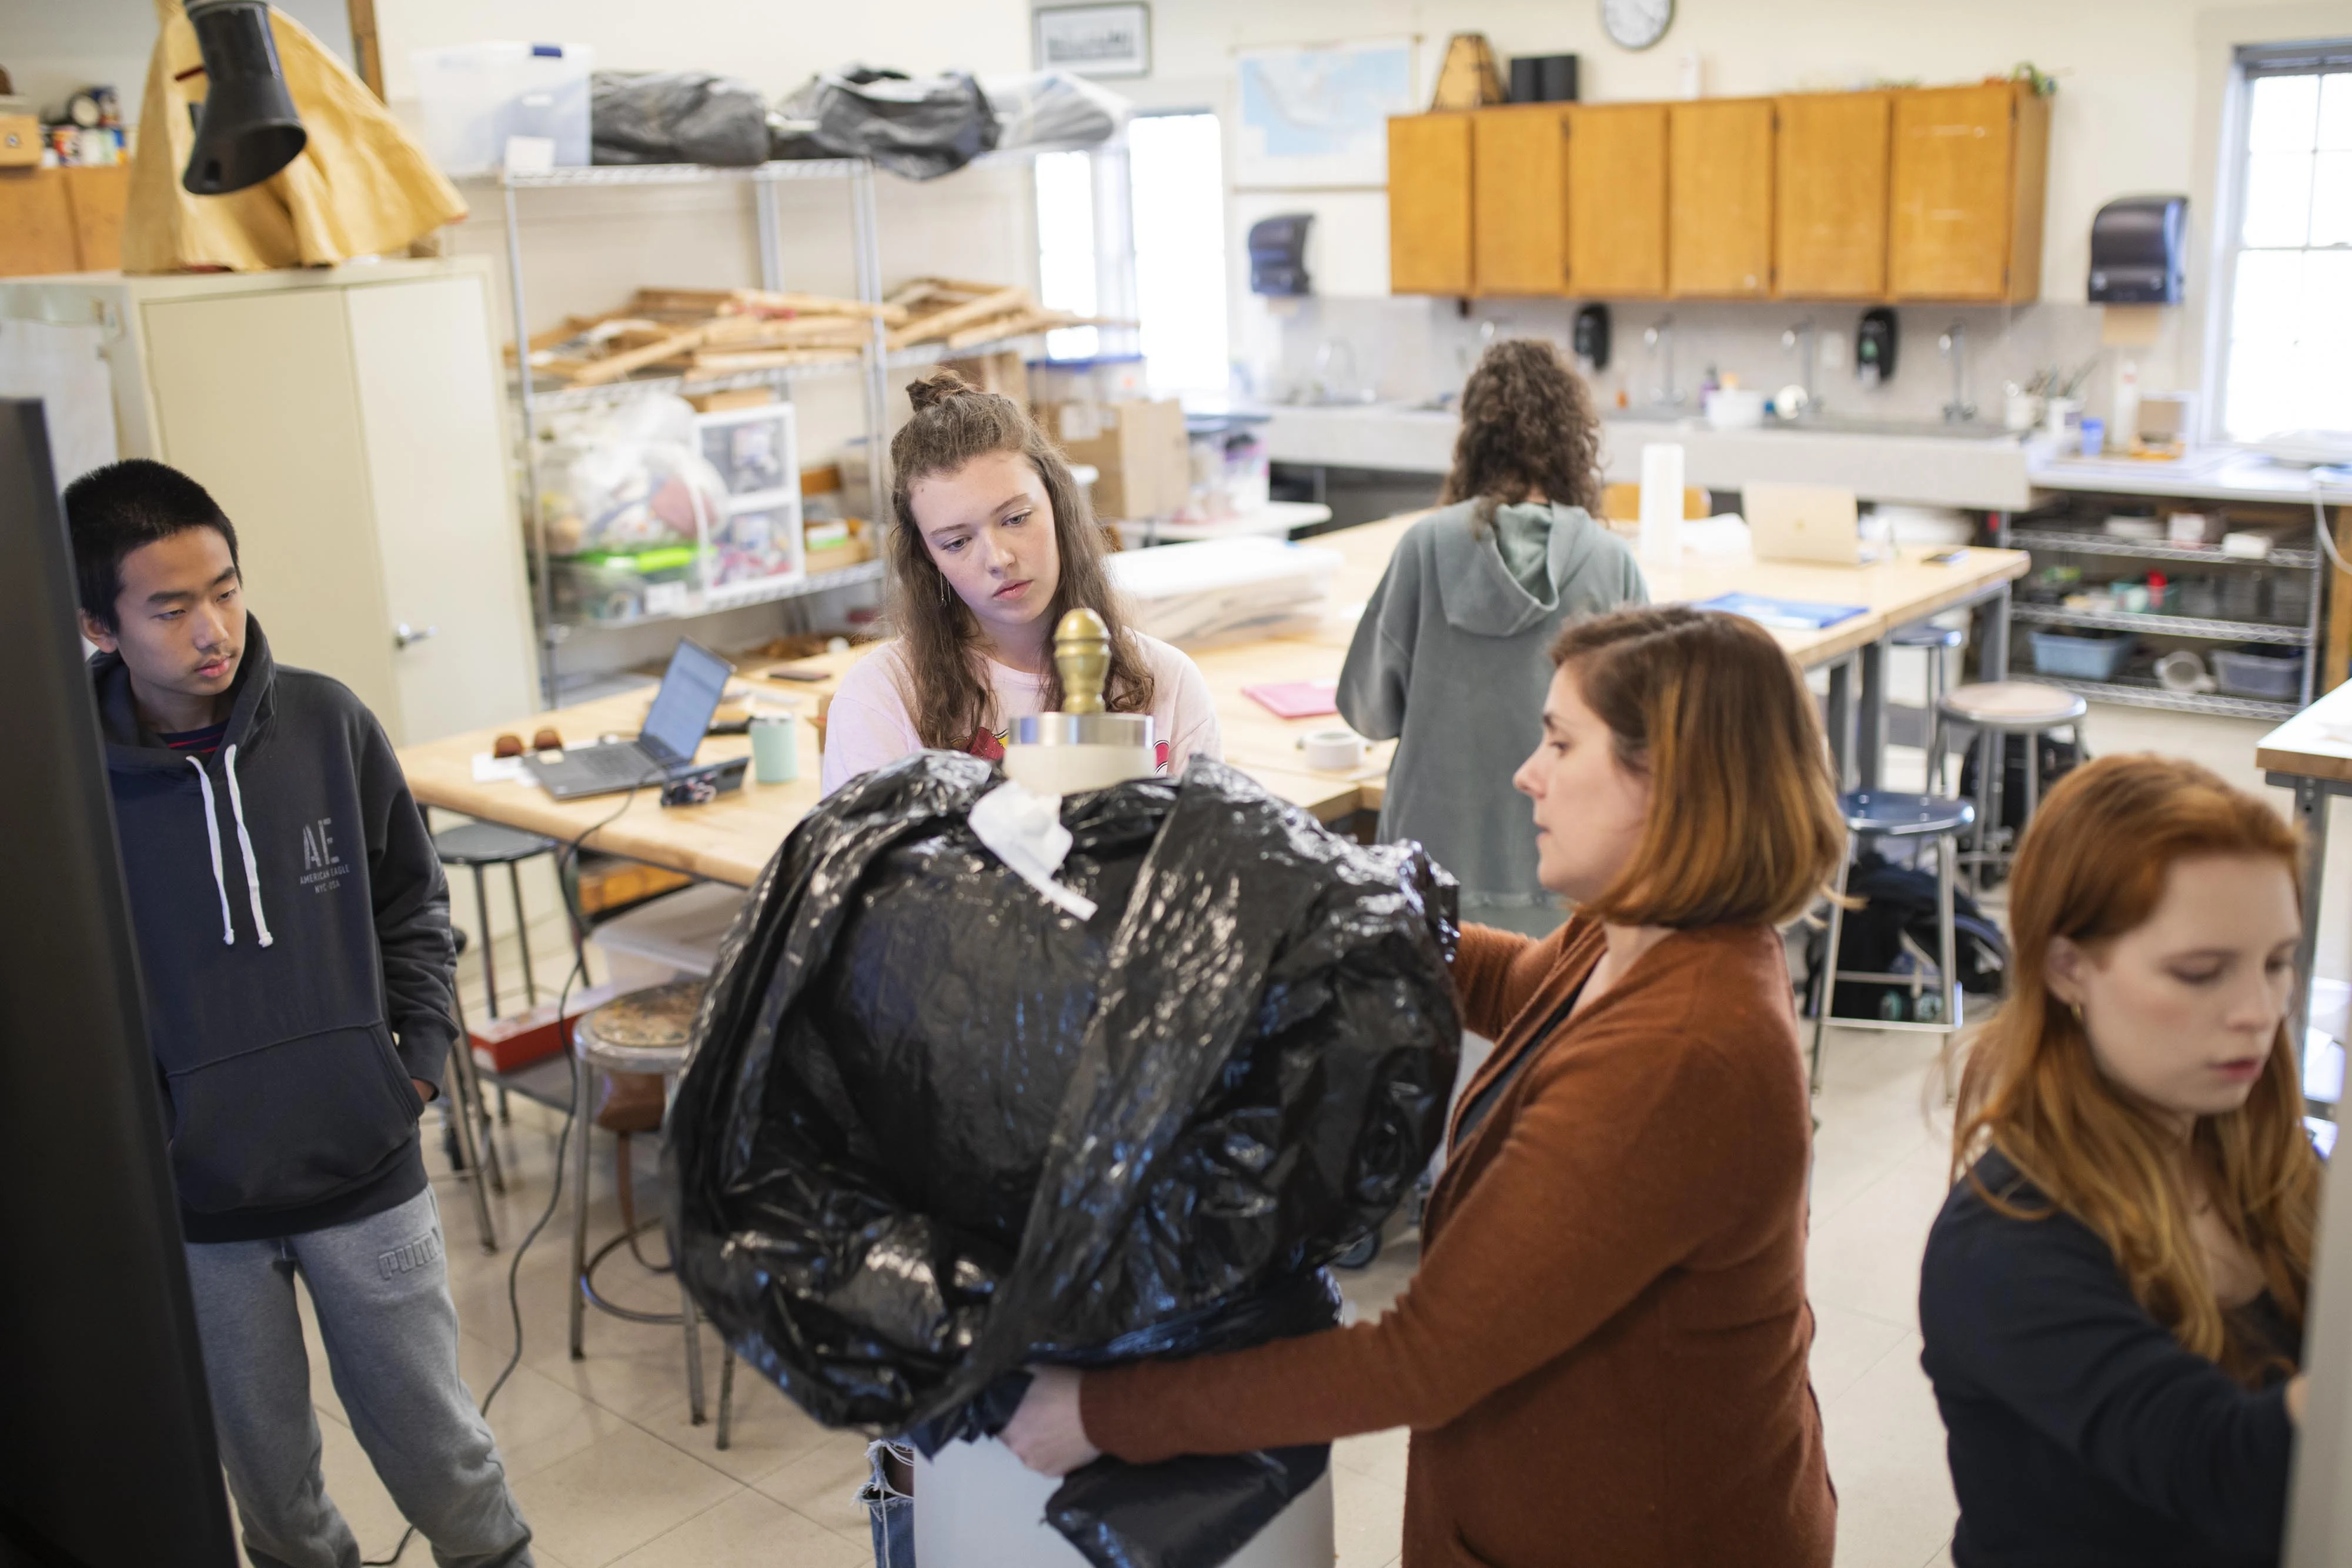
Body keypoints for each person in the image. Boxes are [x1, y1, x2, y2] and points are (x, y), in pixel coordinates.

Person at [1001, 604, 1845, 1568]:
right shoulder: (1648, 935)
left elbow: (1423, 1359)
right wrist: (1301, 895)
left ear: (1675, 785)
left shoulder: (1683, 1055)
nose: (1528, 771)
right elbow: (1514, 985)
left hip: (1643, 1527)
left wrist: (1105, 1413)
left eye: (1562, 742)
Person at [66, 460, 534, 1568]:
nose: (212, 628)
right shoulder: (60, 783)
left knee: (443, 1457)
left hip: (365, 1166)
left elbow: (412, 903)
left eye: (224, 589)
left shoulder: (328, 721)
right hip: (196, 1206)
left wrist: (413, 1065)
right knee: (271, 1491)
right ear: (99, 624)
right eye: (169, 607)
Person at [1920, 754, 2319, 1567]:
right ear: (2069, 967)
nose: (2260, 1013)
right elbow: (2233, 1473)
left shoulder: (2253, 1149)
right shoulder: (2003, 1244)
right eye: (2201, 971)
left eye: (2278, 962)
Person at [1337, 336, 1646, 935]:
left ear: (1472, 441)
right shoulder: (1613, 565)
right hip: (1566, 883)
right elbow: (1648, 743)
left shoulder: (1424, 550)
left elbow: (1366, 712)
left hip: (1429, 883)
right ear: (1574, 443)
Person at [820, 370, 1220, 794]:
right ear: (928, 557)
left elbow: (1203, 851)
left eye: (1016, 518)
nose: (998, 559)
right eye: (957, 542)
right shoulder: (881, 699)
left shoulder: (1169, 683)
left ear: (1058, 505)